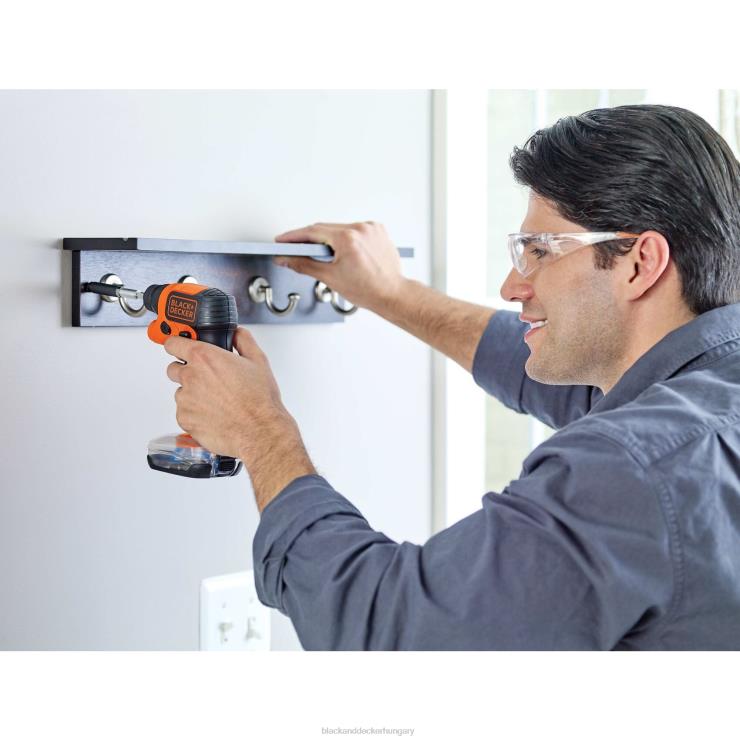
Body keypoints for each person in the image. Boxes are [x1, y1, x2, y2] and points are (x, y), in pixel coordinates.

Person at [163, 104, 740, 649]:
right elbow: (543, 371)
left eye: (540, 251)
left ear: (641, 263)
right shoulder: (702, 403)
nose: (511, 287)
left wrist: (261, 433)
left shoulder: (633, 468)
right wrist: (392, 293)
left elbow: (394, 635)